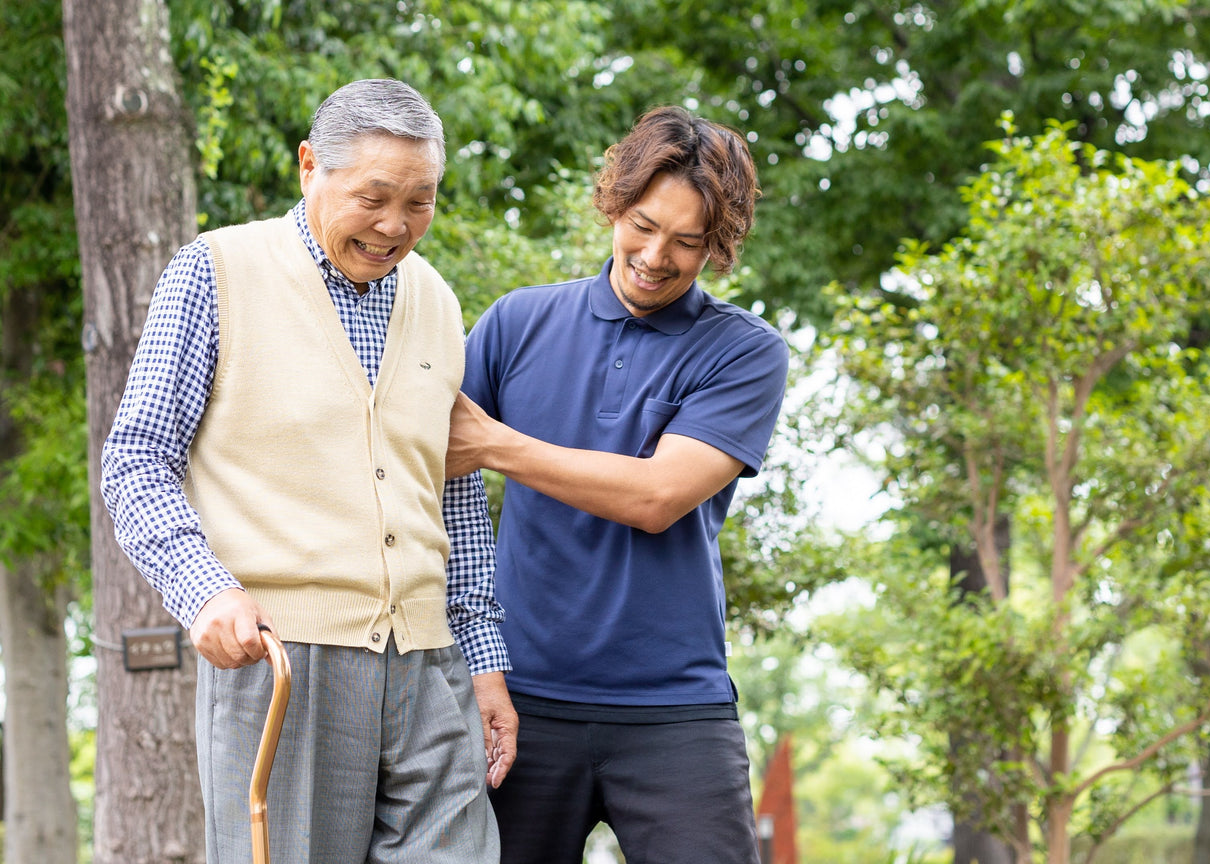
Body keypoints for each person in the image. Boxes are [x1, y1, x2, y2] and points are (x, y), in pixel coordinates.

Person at [101, 78, 515, 864]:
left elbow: (451, 489)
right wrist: (205, 588)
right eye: (374, 197)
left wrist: (485, 661)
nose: (396, 226)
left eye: (421, 201)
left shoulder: (437, 300)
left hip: (432, 670)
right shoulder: (215, 270)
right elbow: (136, 459)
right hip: (284, 664)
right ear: (308, 167)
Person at [447, 105, 789, 864]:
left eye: (687, 241)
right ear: (613, 203)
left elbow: (656, 497)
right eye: (642, 224)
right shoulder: (514, 325)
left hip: (676, 710)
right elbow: (430, 479)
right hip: (519, 699)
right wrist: (475, 665)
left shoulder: (745, 352)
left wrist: (497, 445)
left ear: (718, 247)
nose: (655, 256)